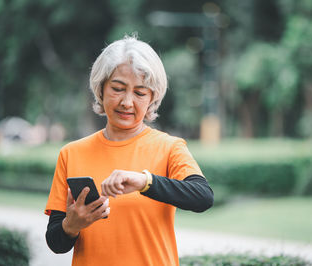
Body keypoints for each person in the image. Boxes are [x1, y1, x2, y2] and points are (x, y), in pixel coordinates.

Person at [44, 35, 214, 266]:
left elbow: (202, 197)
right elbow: (55, 243)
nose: (127, 102)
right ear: (100, 89)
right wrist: (71, 225)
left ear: (152, 98)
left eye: (140, 93)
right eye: (118, 88)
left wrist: (145, 181)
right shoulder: (71, 153)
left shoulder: (169, 147)